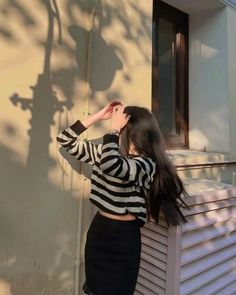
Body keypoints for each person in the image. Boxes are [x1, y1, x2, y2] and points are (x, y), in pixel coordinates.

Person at [56, 101, 189, 295]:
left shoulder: (145, 164)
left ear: (130, 131)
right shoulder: (108, 153)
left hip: (123, 241)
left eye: (121, 128)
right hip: (99, 233)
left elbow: (113, 166)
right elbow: (64, 139)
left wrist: (112, 131)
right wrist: (99, 116)